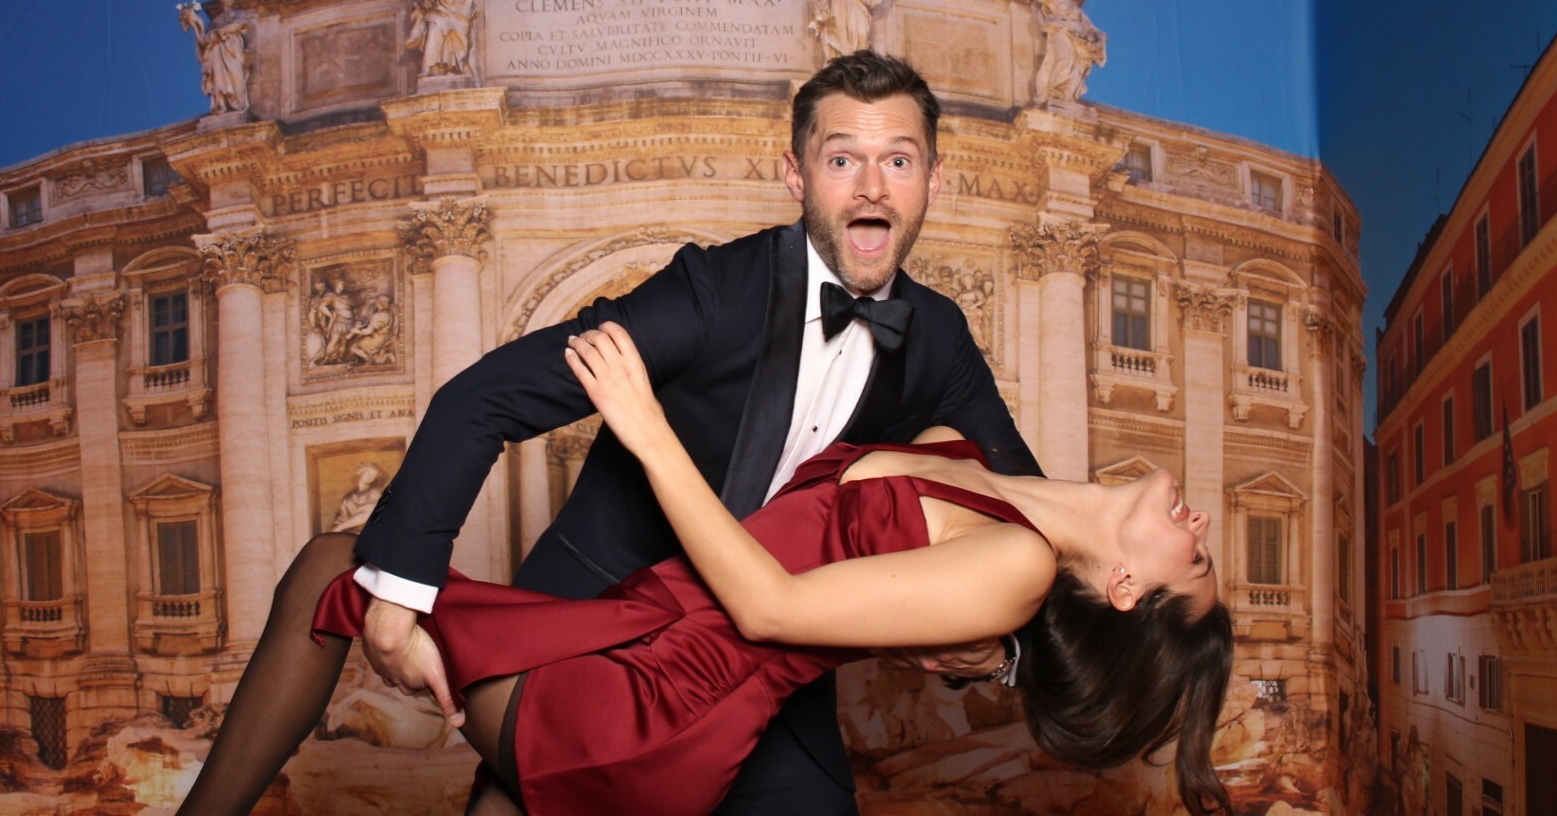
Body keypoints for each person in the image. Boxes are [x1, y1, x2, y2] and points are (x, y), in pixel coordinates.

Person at [180, 51, 1046, 814]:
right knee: (341, 580)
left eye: (899, 160)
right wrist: (398, 599)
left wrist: (1001, 645)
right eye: (842, 158)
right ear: (795, 174)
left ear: (935, 180)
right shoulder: (714, 293)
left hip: (769, 675)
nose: (871, 187)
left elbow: (1039, 512)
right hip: (591, 631)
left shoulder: (938, 338)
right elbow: (482, 398)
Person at [309, 323, 1232, 816]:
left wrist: (644, 423)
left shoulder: (1020, 563)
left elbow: (770, 606)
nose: (1200, 526)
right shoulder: (967, 452)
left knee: (335, 569)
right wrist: (997, 653)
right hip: (634, 640)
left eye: (1195, 559)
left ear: (1126, 589)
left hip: (662, 710)